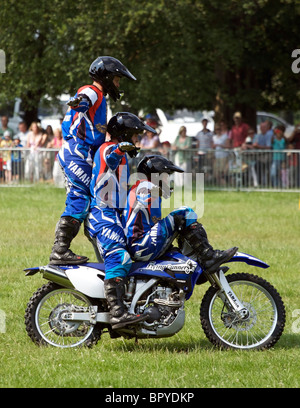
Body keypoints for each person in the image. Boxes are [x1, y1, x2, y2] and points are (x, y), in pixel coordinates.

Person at [49, 56, 136, 265]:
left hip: (83, 154)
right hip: (77, 153)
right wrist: (81, 103)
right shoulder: (93, 92)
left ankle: (102, 242)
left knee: (92, 199)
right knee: (81, 198)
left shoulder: (102, 99)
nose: (117, 84)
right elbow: (83, 97)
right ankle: (60, 250)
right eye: (116, 79)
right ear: (106, 77)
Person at [85, 112, 157, 329]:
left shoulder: (125, 158)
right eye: (136, 135)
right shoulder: (109, 148)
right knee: (120, 257)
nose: (139, 140)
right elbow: (110, 156)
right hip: (102, 215)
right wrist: (120, 148)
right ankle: (117, 313)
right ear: (125, 135)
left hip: (112, 215)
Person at [123, 154, 238, 274]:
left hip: (141, 245)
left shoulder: (144, 188)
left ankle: (199, 265)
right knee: (184, 213)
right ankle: (208, 256)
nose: (168, 180)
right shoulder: (144, 185)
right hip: (141, 246)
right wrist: (155, 191)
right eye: (166, 176)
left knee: (181, 225)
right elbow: (143, 197)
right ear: (156, 175)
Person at [253, 121, 273, 186]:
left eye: (263, 127)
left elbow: (269, 147)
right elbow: (256, 144)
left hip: (268, 156)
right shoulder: (260, 135)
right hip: (261, 157)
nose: (261, 129)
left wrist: (258, 146)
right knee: (257, 167)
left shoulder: (269, 134)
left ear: (267, 128)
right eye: (261, 127)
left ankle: (269, 184)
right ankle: (260, 183)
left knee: (268, 171)